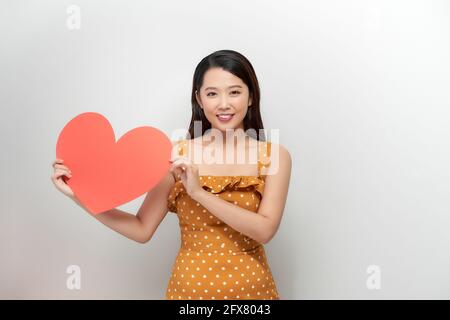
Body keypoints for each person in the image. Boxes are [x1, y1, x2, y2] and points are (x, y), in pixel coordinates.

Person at [51, 49, 292, 300]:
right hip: (189, 294)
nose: (224, 104)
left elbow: (265, 230)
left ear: (251, 96)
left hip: (254, 295)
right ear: (199, 99)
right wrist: (80, 197)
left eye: (234, 92)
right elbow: (141, 229)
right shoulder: (177, 156)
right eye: (212, 93)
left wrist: (198, 193)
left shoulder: (274, 155)